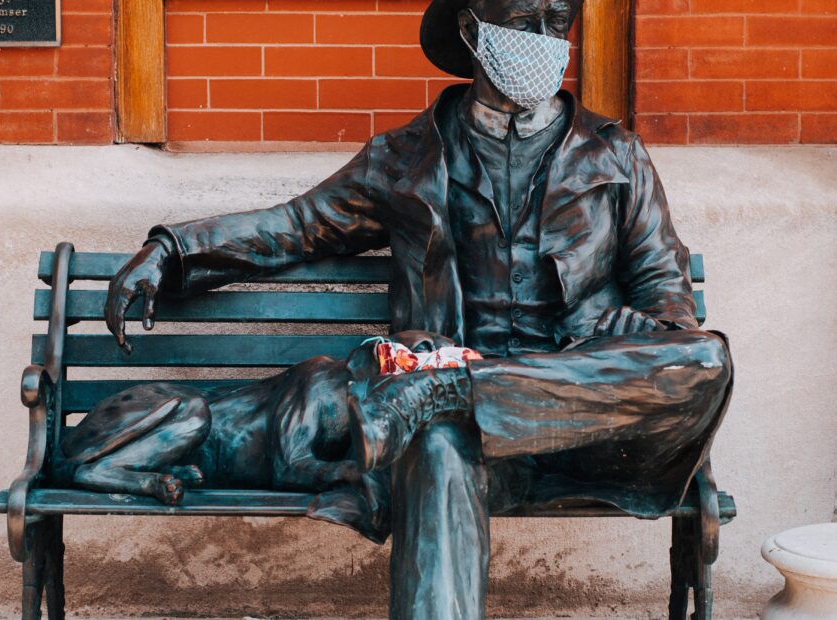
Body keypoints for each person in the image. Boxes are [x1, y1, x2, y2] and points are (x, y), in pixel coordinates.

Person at [63, 0, 734, 617]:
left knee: (706, 358)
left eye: (559, 22)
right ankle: (445, 400)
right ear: (472, 32)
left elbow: (666, 295)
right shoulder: (404, 161)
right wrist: (174, 249)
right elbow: (297, 225)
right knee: (438, 445)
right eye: (524, 20)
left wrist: (648, 330)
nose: (546, 39)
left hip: (586, 428)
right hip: (461, 442)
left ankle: (450, 392)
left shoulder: (616, 156)